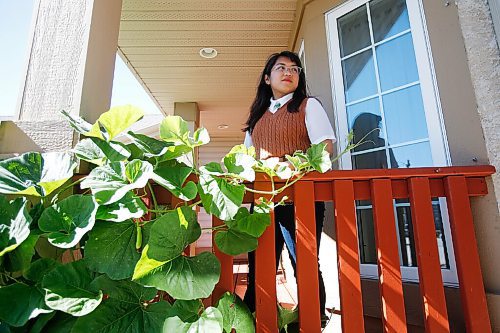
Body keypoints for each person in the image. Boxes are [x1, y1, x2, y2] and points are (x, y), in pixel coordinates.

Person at [242, 51, 336, 322]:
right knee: (259, 264)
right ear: (267, 77)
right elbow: (247, 158)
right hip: (262, 201)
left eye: (295, 69)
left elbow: (325, 148)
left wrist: (291, 168)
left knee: (303, 263)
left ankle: (313, 318)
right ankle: (255, 317)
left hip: (301, 200)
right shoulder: (258, 115)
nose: (288, 73)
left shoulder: (308, 106)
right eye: (281, 68)